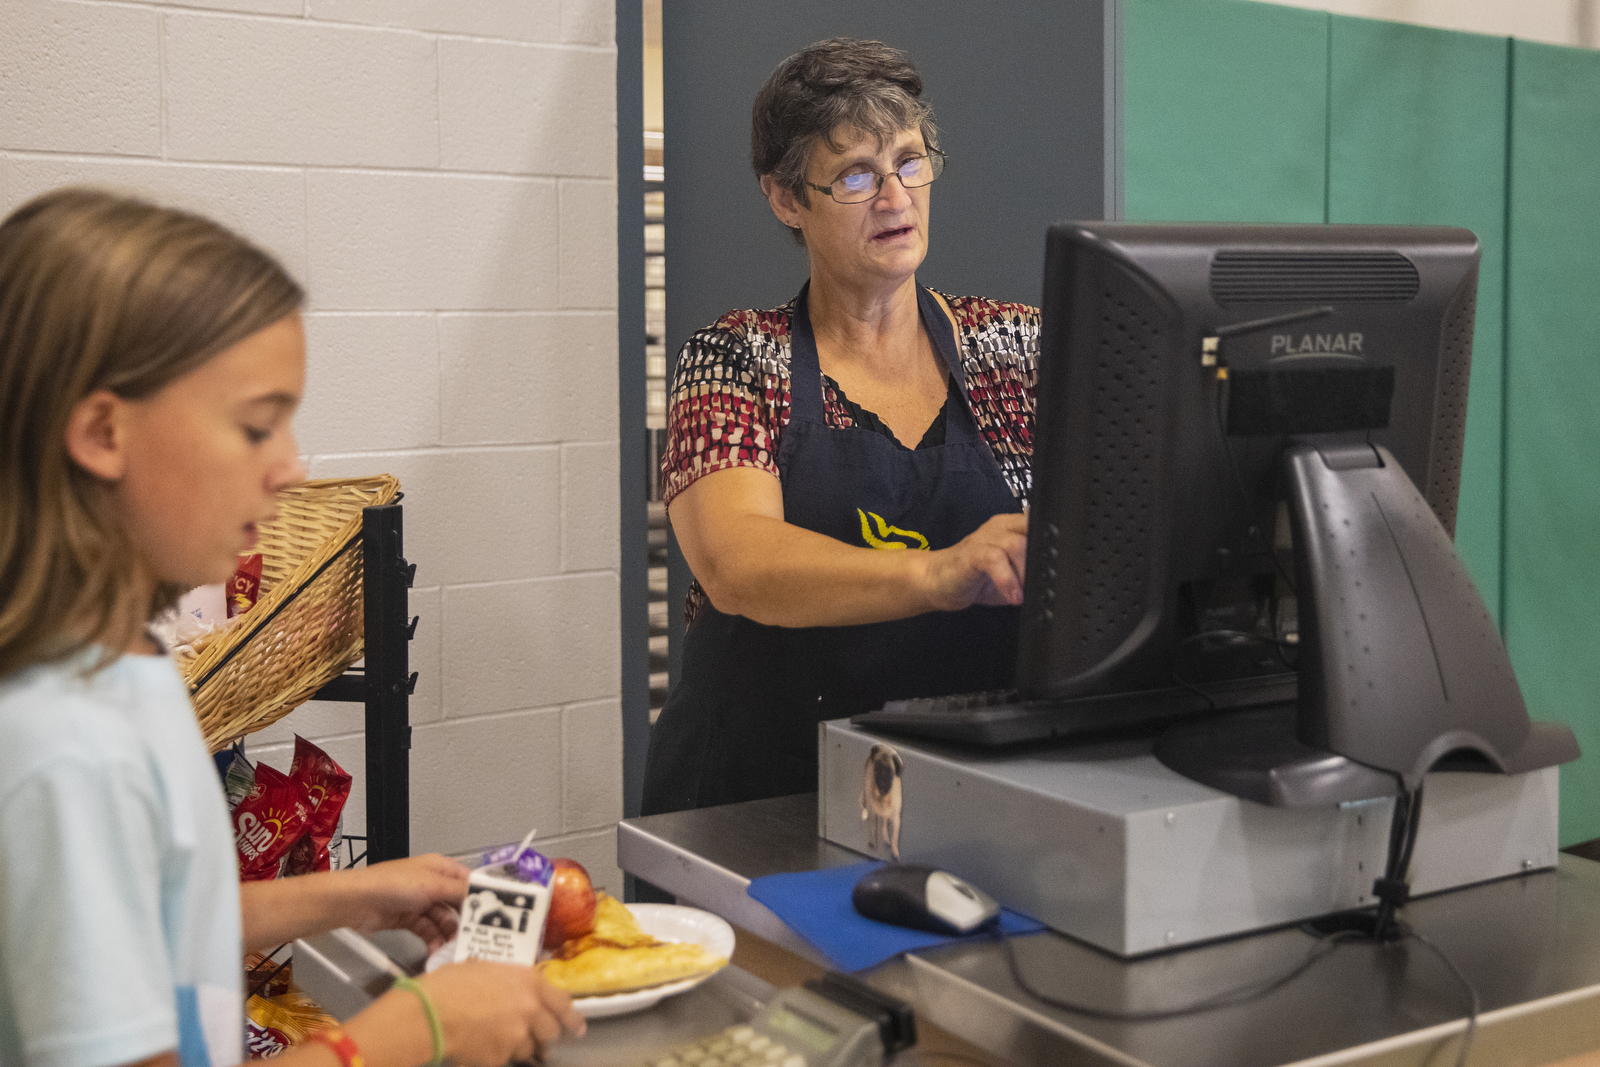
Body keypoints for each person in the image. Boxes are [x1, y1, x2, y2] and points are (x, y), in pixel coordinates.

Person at [0, 187, 585, 1067]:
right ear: (102, 431)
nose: (290, 467)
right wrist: (413, 1031)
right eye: (255, 425)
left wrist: (348, 896)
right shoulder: (63, 748)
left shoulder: (126, 660)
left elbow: (152, 917)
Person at [642, 39, 1039, 815]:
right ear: (788, 199)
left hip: (966, 787)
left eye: (910, 162)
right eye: (856, 175)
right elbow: (739, 563)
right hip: (757, 799)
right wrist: (941, 571)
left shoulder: (1017, 350)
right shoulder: (734, 359)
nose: (895, 198)